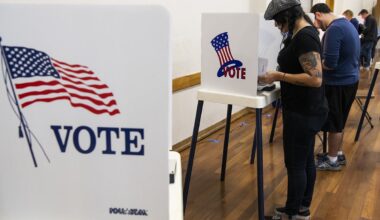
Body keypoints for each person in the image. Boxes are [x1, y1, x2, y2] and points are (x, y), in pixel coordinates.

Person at [261, 0, 328, 219]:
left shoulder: (305, 37)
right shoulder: (300, 33)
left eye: (277, 21)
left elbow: (315, 78)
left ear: (287, 16)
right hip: (306, 109)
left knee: (296, 163)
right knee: (306, 159)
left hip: (304, 111)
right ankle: (302, 209)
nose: (276, 26)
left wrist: (279, 76)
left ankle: (292, 213)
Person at [311, 4, 360, 170]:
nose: (317, 26)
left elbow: (330, 63)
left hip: (339, 82)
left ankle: (331, 161)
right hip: (349, 80)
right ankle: (336, 154)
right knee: (339, 121)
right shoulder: (346, 24)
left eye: (316, 22)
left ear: (318, 14)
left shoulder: (334, 29)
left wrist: (314, 66)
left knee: (334, 123)